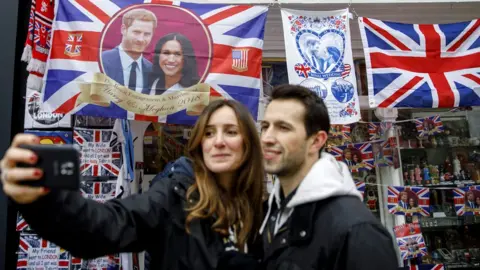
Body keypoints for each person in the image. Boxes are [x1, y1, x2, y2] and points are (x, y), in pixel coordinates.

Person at [0, 99, 265, 270]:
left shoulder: (262, 210)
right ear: (200, 142)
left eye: (230, 131)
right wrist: (43, 200)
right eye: (209, 132)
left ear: (249, 143)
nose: (218, 141)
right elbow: (104, 226)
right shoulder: (175, 195)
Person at [258, 84, 398, 269]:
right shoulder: (272, 212)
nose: (267, 138)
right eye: (265, 127)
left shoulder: (358, 230)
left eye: (283, 128)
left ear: (317, 141)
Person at [101, 8, 157, 94]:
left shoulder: (152, 70)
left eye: (147, 34)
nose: (141, 39)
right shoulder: (101, 60)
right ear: (124, 29)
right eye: (136, 32)